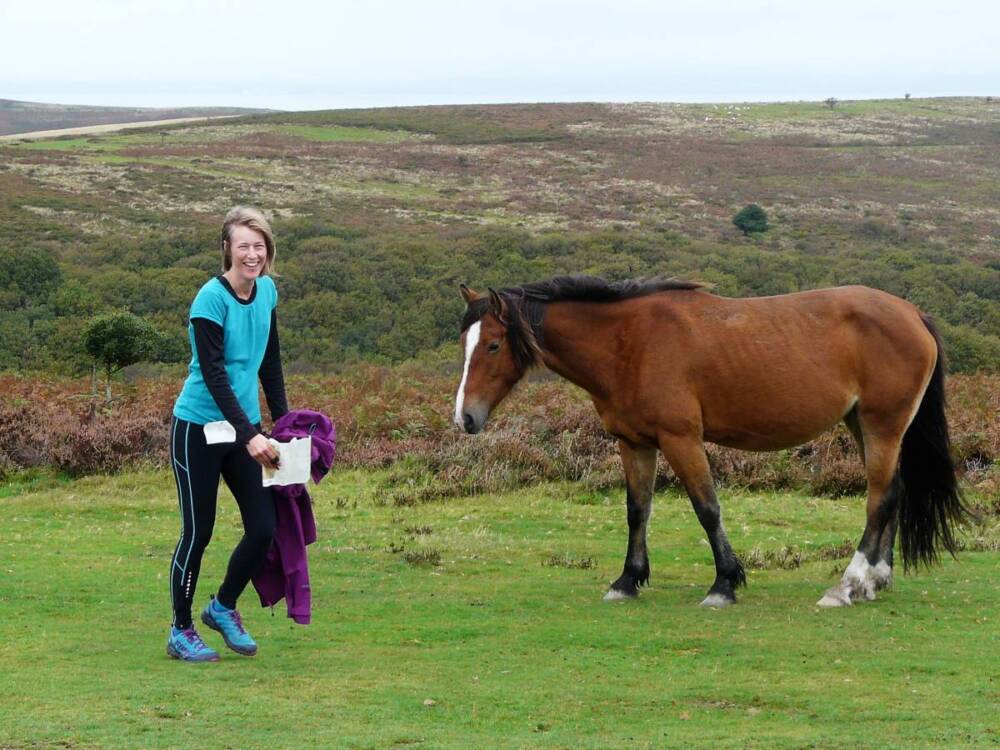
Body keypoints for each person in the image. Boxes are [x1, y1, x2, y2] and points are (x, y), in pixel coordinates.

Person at [166, 206, 289, 662]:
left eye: (259, 246)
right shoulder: (209, 300)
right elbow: (215, 376)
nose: (253, 255)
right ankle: (180, 630)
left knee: (264, 527)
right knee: (198, 532)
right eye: (244, 246)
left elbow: (269, 361)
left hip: (244, 429)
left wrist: (284, 423)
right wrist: (249, 434)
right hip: (197, 428)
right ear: (227, 249)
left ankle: (222, 607)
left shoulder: (268, 292)